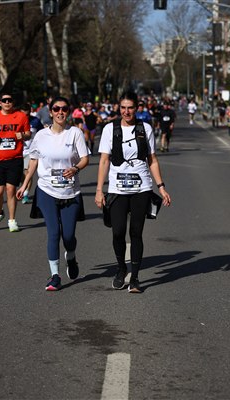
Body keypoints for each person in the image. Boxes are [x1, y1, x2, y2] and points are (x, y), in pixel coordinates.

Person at [95, 91, 172, 293]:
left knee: (136, 232)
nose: (126, 111)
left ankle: (135, 278)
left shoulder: (145, 128)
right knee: (118, 231)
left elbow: (152, 160)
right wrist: (99, 190)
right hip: (117, 189)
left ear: (137, 108)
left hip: (141, 187)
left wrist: (161, 187)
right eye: (123, 107)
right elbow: (104, 161)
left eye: (130, 108)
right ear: (118, 108)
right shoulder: (109, 129)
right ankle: (121, 269)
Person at [17, 97, 89, 291]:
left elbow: (85, 158)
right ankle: (55, 276)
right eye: (56, 109)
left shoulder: (74, 133)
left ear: (68, 112)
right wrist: (25, 185)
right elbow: (33, 160)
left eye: (64, 109)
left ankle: (71, 257)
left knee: (68, 236)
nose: (60, 112)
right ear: (50, 112)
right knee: (54, 232)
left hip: (70, 191)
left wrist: (75, 168)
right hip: (46, 190)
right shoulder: (41, 135)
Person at [0, 91, 31, 232]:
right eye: (4, 100)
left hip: (14, 159)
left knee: (11, 190)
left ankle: (12, 220)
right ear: (0, 103)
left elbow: (28, 134)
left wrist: (22, 135)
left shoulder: (21, 116)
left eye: (10, 100)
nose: (7, 102)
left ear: (13, 102)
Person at [21, 102, 44, 204]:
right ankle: (23, 187)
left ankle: (25, 194)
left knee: (28, 173)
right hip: (17, 152)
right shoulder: (15, 121)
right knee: (20, 175)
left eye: (27, 114)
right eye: (23, 114)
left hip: (30, 152)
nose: (25, 117)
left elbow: (42, 133)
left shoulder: (35, 121)